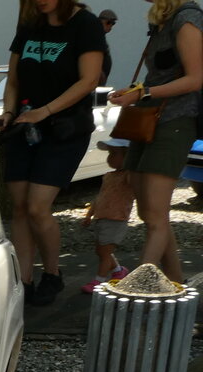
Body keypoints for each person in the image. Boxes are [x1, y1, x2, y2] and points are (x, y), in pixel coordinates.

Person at [0, 1, 105, 305]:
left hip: (65, 129)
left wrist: (45, 111)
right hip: (23, 126)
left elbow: (89, 80)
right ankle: (22, 281)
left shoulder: (86, 24)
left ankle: (52, 273)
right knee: (21, 207)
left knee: (39, 206)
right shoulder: (29, 24)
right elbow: (13, 79)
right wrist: (9, 112)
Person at [108, 0, 202, 284]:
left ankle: (139, 289)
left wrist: (142, 93)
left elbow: (196, 79)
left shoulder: (187, 17)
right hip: (148, 120)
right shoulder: (162, 18)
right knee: (149, 211)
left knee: (154, 213)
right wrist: (137, 91)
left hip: (175, 121)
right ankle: (175, 281)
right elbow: (159, 75)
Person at [80, 137, 134, 291]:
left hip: (116, 220)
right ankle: (118, 271)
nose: (110, 157)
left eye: (114, 153)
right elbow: (99, 198)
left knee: (105, 252)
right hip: (101, 218)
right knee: (101, 251)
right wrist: (89, 215)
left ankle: (99, 280)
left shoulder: (129, 176)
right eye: (110, 153)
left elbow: (135, 185)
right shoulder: (108, 176)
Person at [98, 8, 117, 82]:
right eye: (108, 22)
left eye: (113, 23)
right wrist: (98, 70)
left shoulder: (101, 38)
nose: (110, 26)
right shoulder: (94, 37)